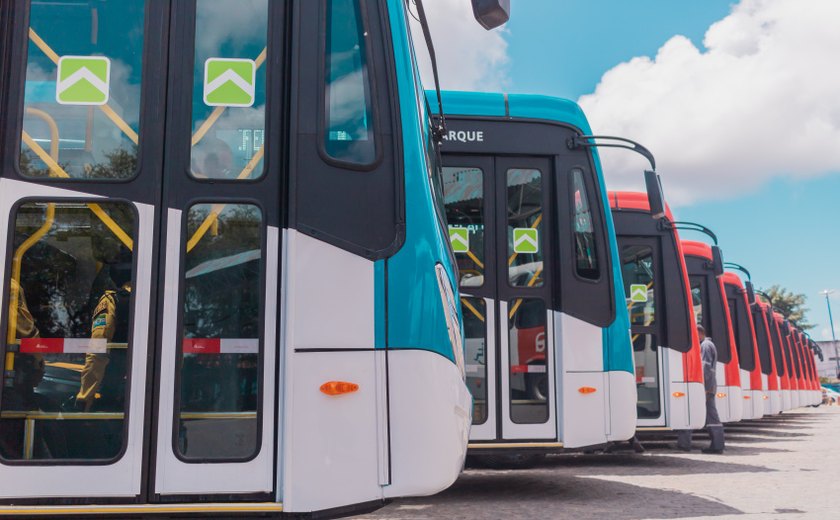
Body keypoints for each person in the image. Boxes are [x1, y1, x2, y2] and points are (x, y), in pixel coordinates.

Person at [75, 263, 132, 412]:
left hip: (117, 387)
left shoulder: (113, 300)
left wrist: (85, 396)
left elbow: (98, 349)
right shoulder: (164, 302)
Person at [676, 324, 725, 454]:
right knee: (710, 416)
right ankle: (717, 444)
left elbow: (706, 367)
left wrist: (702, 387)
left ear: (698, 333)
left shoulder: (705, 346)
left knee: (690, 412)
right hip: (708, 386)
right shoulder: (708, 345)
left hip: (705, 387)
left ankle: (684, 444)